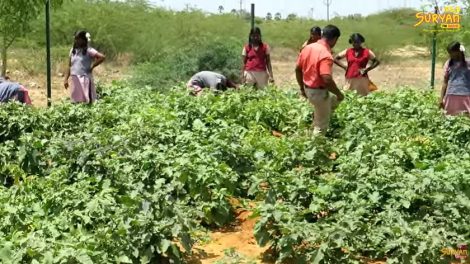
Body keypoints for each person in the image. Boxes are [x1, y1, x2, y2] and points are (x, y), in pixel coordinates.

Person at [295, 24, 344, 135]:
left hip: (308, 90)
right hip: (319, 93)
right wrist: (339, 93)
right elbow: (326, 79)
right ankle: (315, 148)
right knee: (321, 127)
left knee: (331, 101)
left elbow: (298, 69)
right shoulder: (325, 54)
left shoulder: (307, 48)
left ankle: (317, 118)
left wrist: (302, 89)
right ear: (335, 39)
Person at [64, 30, 105, 104]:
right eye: (75, 38)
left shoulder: (89, 50)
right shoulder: (73, 51)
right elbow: (69, 65)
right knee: (76, 100)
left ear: (83, 40)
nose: (76, 41)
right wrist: (66, 79)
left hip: (84, 78)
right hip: (75, 78)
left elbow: (102, 57)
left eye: (78, 39)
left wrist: (92, 66)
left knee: (87, 99)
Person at [440, 41, 470, 116]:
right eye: (449, 53)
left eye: (451, 52)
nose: (450, 55)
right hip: (451, 95)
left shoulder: (468, 63)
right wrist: (441, 98)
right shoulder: (448, 63)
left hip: (466, 96)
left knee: (466, 119)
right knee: (450, 118)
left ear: (458, 51)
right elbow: (445, 82)